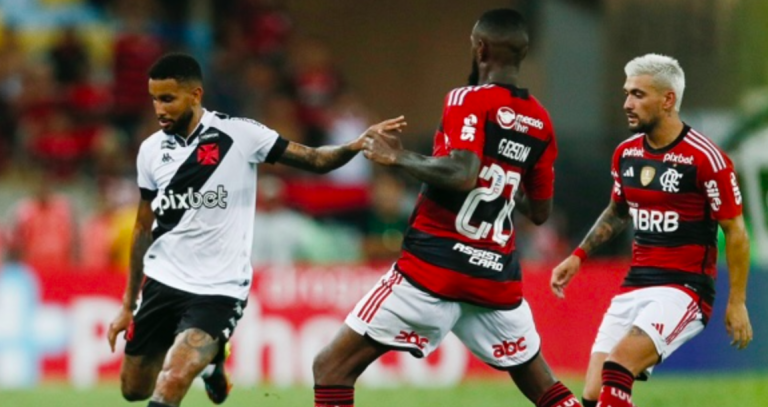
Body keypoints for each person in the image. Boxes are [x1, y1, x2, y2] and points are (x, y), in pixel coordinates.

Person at [313, 9, 582, 407]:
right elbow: (540, 211)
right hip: (494, 277)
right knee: (545, 388)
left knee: (331, 368)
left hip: (434, 269)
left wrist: (398, 157)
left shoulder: (467, 98)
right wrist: (502, 174)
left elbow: (461, 173)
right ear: (523, 54)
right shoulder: (541, 121)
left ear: (480, 48)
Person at [105, 53, 405, 407]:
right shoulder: (150, 151)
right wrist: (128, 303)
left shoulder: (240, 134)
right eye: (154, 99)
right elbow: (143, 226)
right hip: (162, 282)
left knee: (172, 380)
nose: (159, 109)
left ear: (196, 95)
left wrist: (354, 145)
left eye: (168, 98)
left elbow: (315, 159)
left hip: (218, 289)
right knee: (133, 390)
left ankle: (205, 357)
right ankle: (213, 364)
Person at [550, 54, 753, 407]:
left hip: (684, 289)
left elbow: (736, 231)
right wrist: (578, 256)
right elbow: (617, 211)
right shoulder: (626, 154)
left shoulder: (707, 159)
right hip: (636, 284)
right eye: (627, 93)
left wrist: (736, 302)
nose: (627, 103)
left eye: (639, 95)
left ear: (668, 100)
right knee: (593, 394)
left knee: (618, 365)